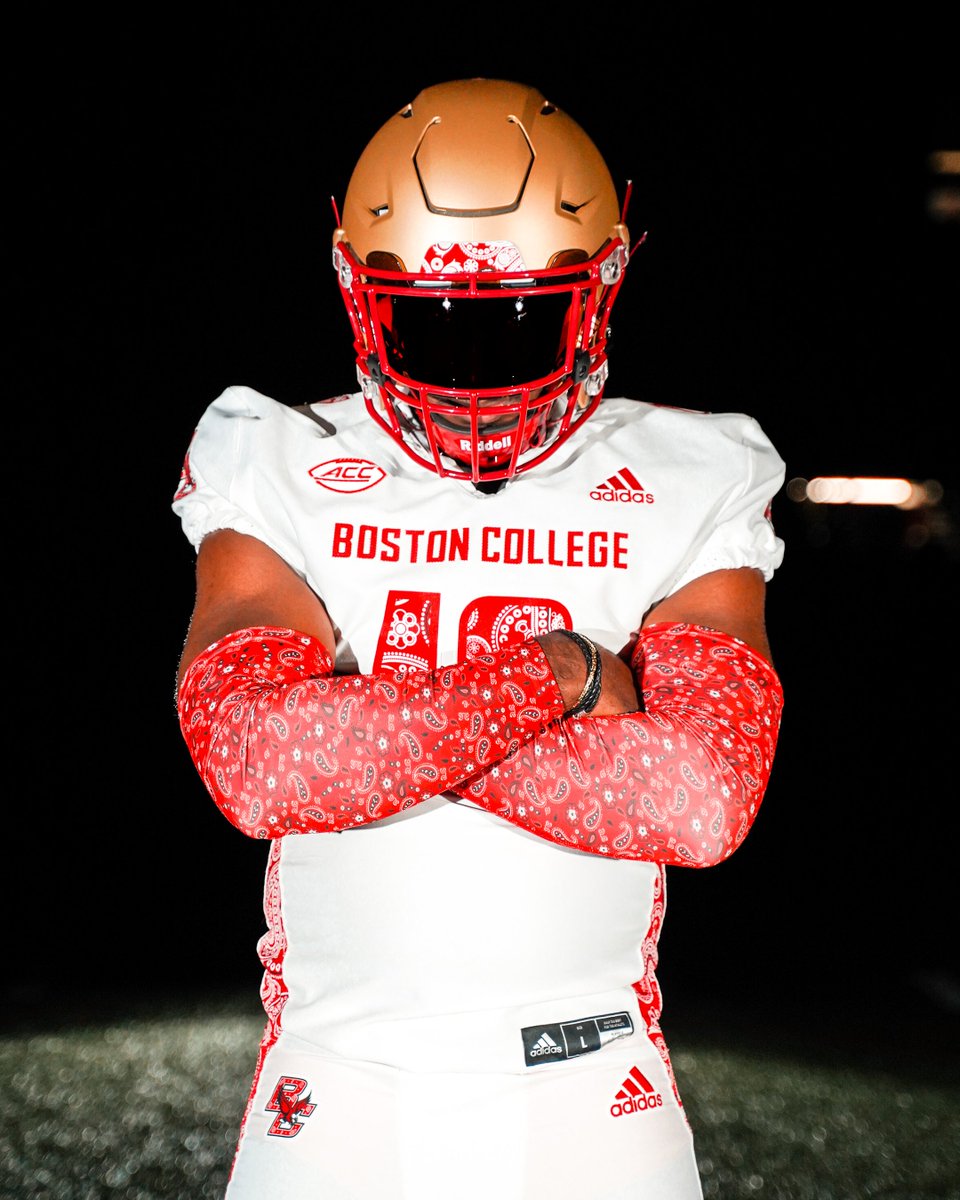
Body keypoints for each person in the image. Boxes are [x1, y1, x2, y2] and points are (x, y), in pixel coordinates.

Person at [173, 77, 785, 1200]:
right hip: (336, 1078)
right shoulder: (278, 453)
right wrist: (566, 674)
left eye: (519, 316)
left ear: (603, 284)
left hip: (592, 1081)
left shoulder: (692, 472)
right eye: (430, 318)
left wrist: (380, 732)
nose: (476, 368)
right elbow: (263, 764)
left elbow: (697, 801)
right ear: (361, 293)